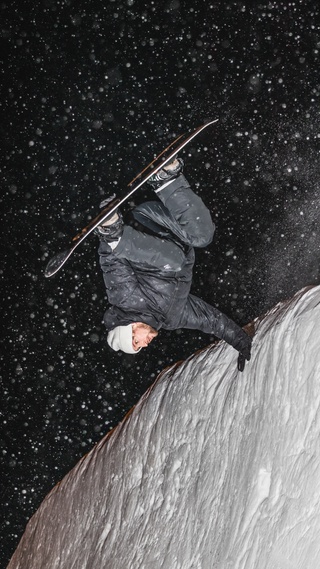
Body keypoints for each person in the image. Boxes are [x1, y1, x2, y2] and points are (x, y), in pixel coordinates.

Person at [95, 158, 252, 370]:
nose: (143, 344)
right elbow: (211, 321)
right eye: (139, 347)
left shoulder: (127, 300)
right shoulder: (173, 318)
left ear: (129, 328)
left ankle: (115, 234)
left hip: (147, 225)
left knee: (175, 261)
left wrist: (110, 231)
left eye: (135, 342)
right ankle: (167, 179)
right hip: (173, 234)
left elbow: (112, 263)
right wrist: (241, 342)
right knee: (203, 236)